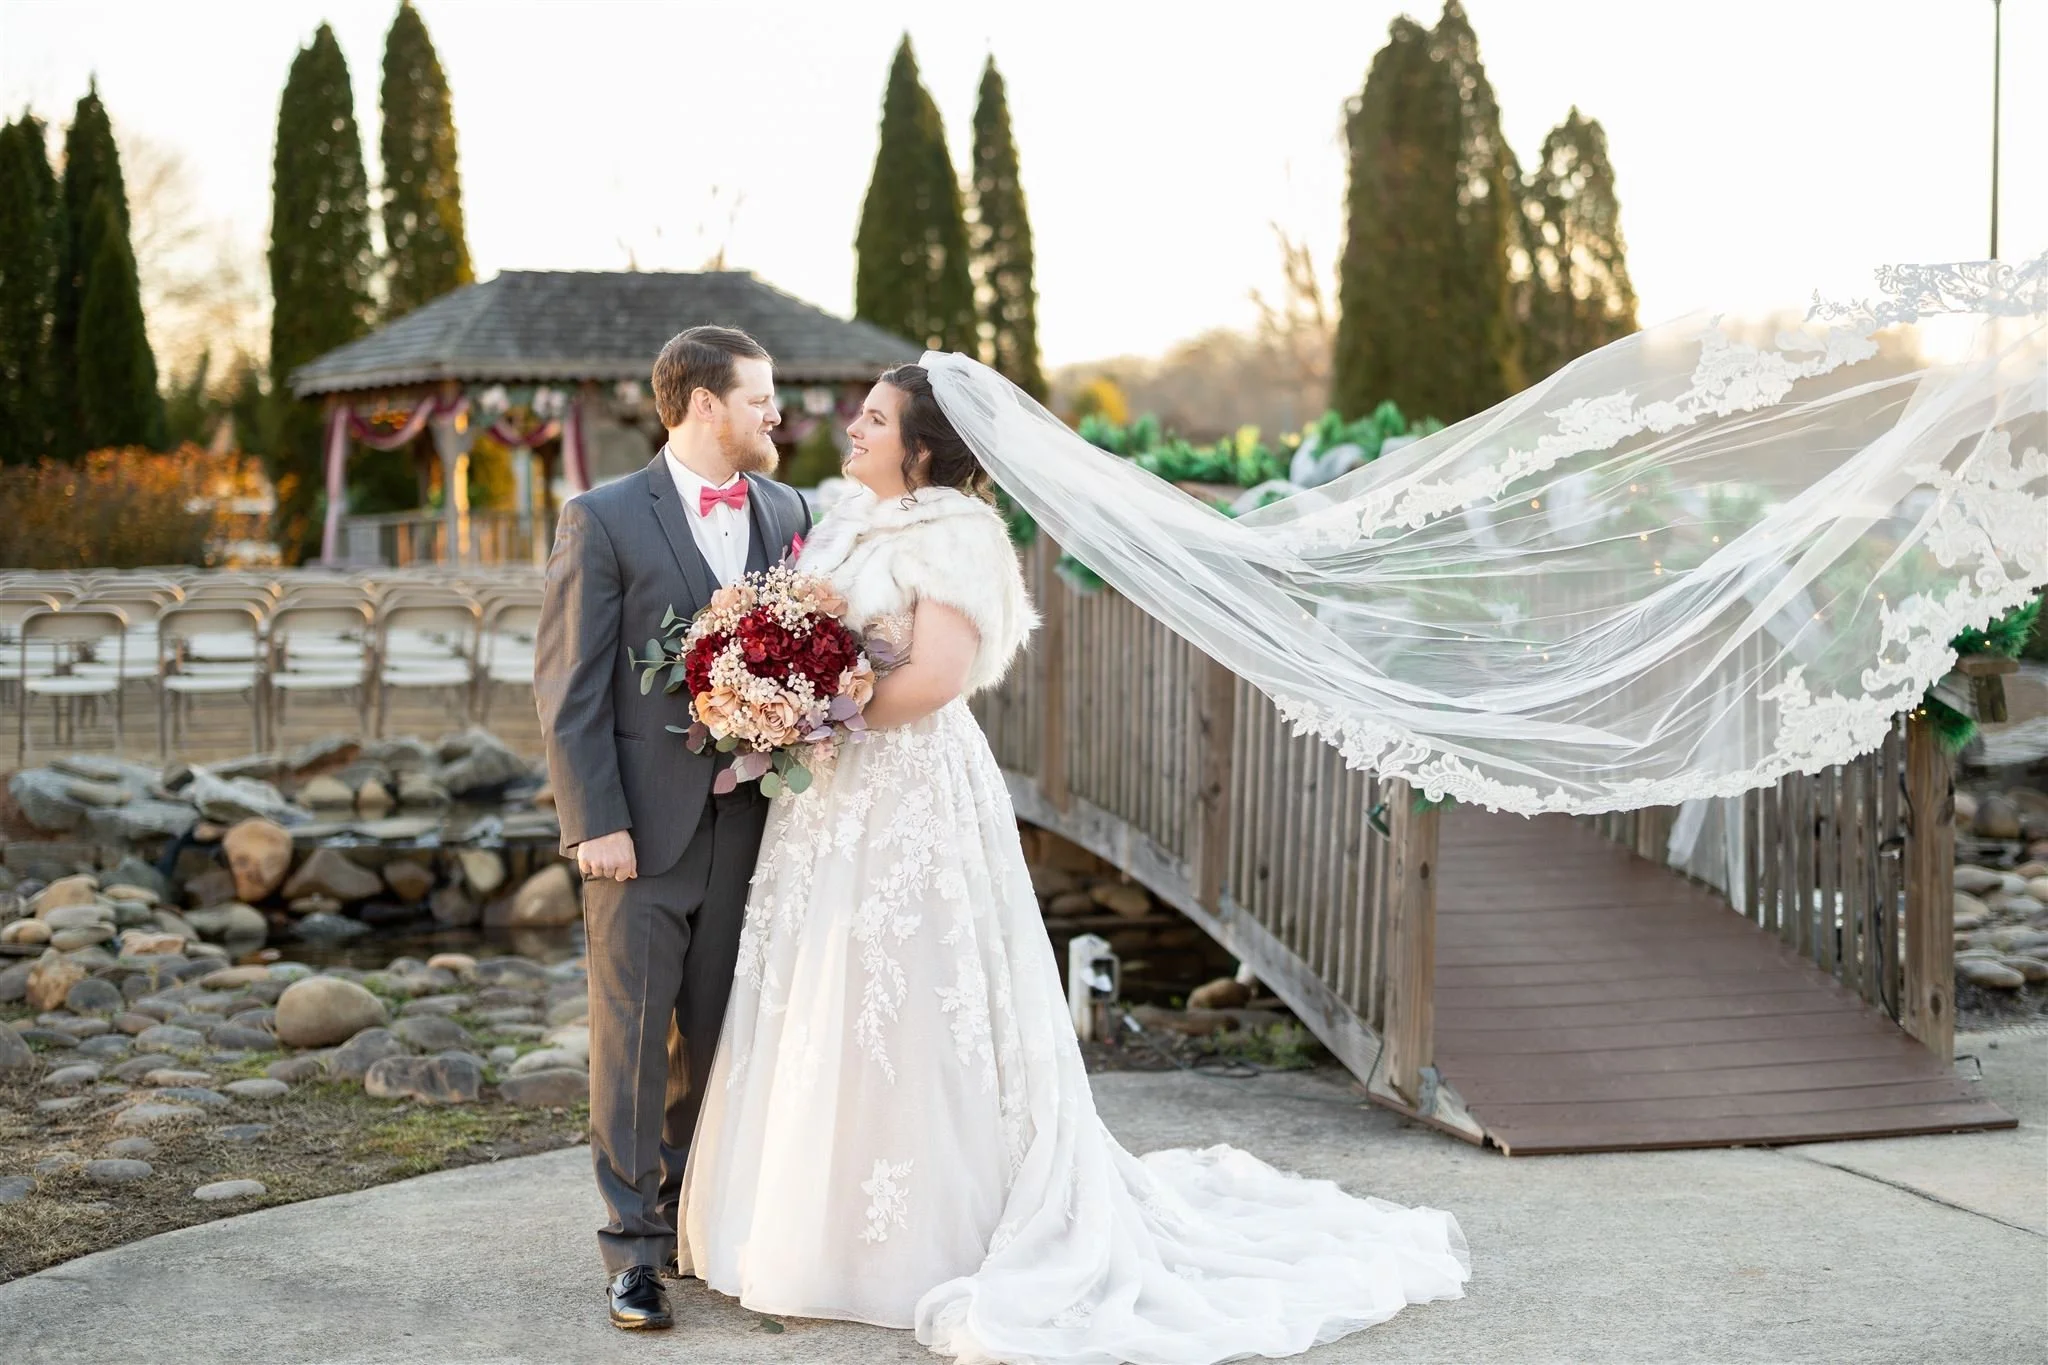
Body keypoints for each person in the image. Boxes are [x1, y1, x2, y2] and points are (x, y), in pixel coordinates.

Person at [677, 363, 1470, 1363]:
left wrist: (804, 715)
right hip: (832, 796)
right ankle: (800, 1219)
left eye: (875, 419)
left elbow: (937, 677)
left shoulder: (958, 535)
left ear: (922, 447)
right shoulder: (840, 519)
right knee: (825, 985)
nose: (855, 429)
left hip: (905, 787)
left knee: (908, 991)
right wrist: (767, 690)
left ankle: (915, 1235)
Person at [532, 324, 810, 1331]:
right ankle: (633, 1252)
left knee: (721, 1035)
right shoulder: (601, 518)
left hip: (752, 826)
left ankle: (697, 1219)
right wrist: (593, 822)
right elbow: (567, 686)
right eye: (759, 397)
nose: (774, 413)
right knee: (634, 1038)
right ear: (703, 404)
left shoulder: (790, 511)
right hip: (638, 833)